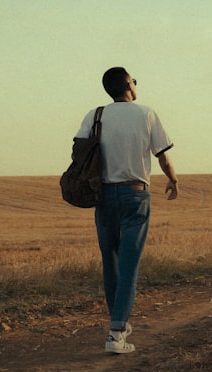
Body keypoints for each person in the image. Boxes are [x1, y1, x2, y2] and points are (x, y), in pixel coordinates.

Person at [73, 67, 179, 354]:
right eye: (134, 79)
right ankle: (116, 333)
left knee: (111, 261)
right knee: (130, 264)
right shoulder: (146, 113)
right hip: (135, 195)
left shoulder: (95, 114)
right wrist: (173, 179)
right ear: (128, 84)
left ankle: (117, 320)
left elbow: (79, 151)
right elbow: (162, 155)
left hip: (103, 195)